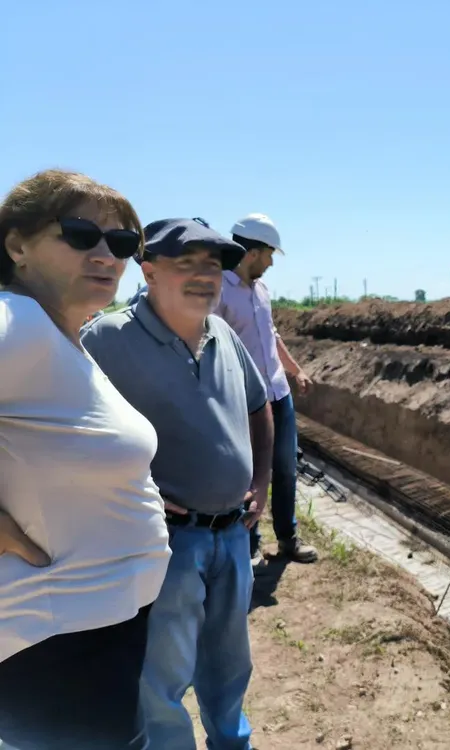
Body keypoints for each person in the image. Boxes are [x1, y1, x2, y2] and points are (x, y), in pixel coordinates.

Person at [82, 218, 274, 750]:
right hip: (165, 540)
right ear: (148, 271)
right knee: (162, 677)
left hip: (233, 534)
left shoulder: (225, 334)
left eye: (212, 264)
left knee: (230, 664)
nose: (202, 276)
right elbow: (66, 432)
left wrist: (261, 479)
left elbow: (260, 407)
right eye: (184, 263)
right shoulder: (105, 340)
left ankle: (232, 743)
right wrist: (126, 487)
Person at [0, 169, 172, 749]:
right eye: (80, 234)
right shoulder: (16, 324)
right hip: (56, 646)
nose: (107, 254)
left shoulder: (61, 339)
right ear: (17, 245)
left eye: (123, 243)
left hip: (93, 633)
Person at [215, 212, 316, 565]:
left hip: (278, 394)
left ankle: (287, 537)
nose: (272, 262)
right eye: (270, 254)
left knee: (286, 469)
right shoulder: (220, 290)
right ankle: (252, 541)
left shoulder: (261, 290)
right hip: (245, 401)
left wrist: (296, 371)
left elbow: (271, 337)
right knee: (251, 473)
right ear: (253, 252)